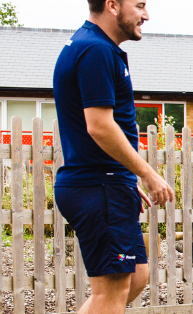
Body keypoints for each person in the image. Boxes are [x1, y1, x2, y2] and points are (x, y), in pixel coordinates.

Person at [52, 1, 174, 313]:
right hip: (98, 185)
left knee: (135, 277)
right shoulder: (96, 51)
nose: (146, 15)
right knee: (111, 291)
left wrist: (121, 176)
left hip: (104, 182)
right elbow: (100, 127)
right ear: (112, 5)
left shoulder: (89, 45)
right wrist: (147, 173)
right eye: (140, 5)